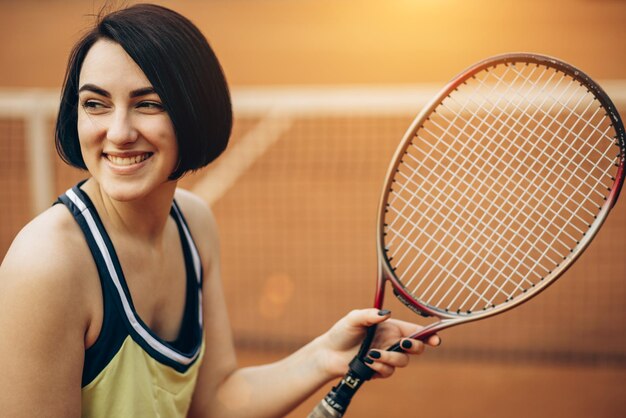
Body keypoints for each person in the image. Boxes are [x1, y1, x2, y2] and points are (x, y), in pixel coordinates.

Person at [0, 4, 440, 417]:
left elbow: (215, 400)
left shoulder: (193, 224)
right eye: (94, 103)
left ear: (194, 110)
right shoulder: (48, 266)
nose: (118, 132)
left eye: (148, 103)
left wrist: (327, 355)